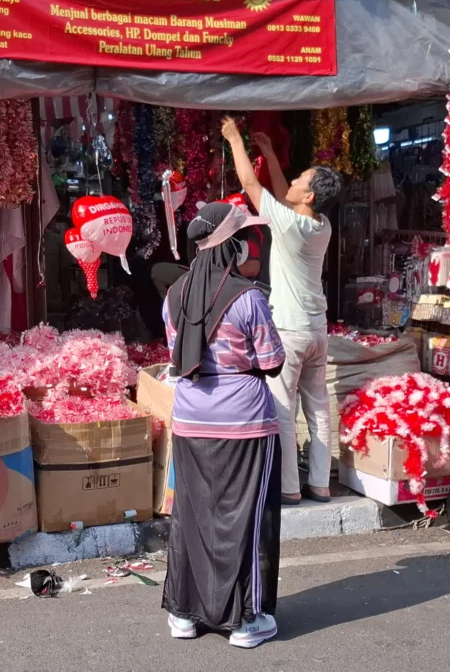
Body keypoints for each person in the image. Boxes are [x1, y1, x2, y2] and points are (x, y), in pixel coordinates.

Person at [161, 202, 286, 649]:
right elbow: (272, 362)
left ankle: (183, 614)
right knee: (246, 519)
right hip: (245, 423)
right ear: (232, 245)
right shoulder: (248, 296)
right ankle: (245, 620)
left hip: (190, 419)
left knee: (192, 514)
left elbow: (177, 352)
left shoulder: (173, 294)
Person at [222, 116, 342, 505]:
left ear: (308, 197)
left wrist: (235, 140)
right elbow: (276, 190)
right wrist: (270, 153)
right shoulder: (320, 225)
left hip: (289, 331)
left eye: (299, 182)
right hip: (317, 331)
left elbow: (252, 186)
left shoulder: (290, 225)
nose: (291, 182)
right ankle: (320, 484)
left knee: (284, 409)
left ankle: (289, 487)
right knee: (319, 409)